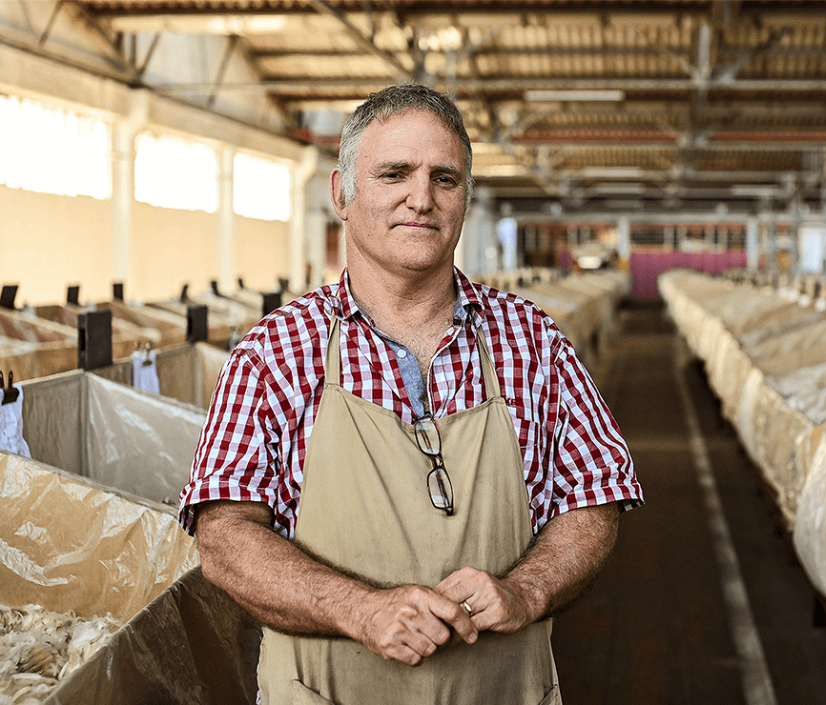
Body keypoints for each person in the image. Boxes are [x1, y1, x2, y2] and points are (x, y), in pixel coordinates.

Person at [179, 83, 642, 705]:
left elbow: (596, 497)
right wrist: (359, 609)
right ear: (342, 193)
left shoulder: (533, 343)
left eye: (444, 179)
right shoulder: (274, 356)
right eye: (394, 174)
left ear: (465, 198)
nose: (421, 199)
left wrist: (526, 590)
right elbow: (225, 538)